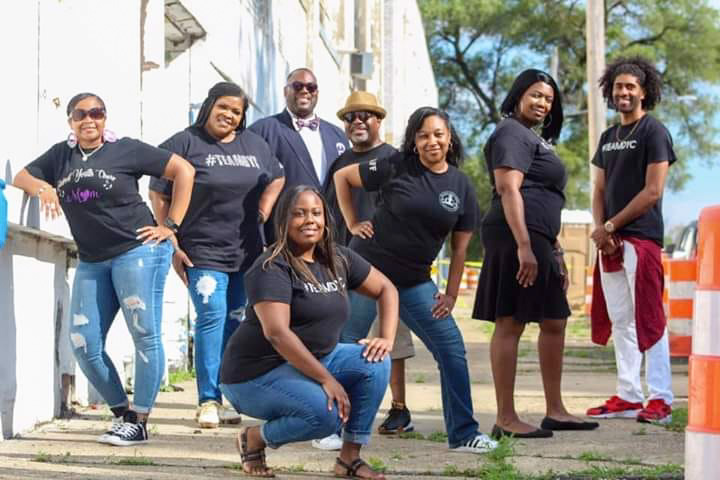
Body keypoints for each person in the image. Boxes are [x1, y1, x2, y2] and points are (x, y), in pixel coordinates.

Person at [13, 92, 195, 446]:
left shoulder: (126, 149)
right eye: (80, 114)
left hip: (138, 251)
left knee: (144, 334)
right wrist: (44, 188)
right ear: (70, 121)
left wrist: (171, 226)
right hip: (92, 259)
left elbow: (183, 171)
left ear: (104, 118)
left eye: (96, 113)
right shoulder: (60, 155)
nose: (89, 119)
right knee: (84, 343)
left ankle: (140, 421)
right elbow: (21, 175)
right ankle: (123, 415)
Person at [335, 106, 498, 454]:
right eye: (423, 135)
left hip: (413, 282)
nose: (431, 141)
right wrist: (351, 223)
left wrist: (451, 294)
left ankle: (464, 433)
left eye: (438, 133)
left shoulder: (461, 185)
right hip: (369, 271)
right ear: (415, 140)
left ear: (449, 136)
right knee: (346, 345)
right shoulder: (395, 166)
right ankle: (333, 427)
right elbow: (343, 178)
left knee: (451, 348)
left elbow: (459, 249)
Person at [219, 185, 398, 479]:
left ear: (326, 219)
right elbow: (277, 333)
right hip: (253, 375)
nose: (310, 220)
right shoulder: (271, 267)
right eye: (299, 214)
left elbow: (386, 289)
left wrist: (387, 337)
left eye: (316, 213)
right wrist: (327, 380)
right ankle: (255, 437)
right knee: (325, 415)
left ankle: (349, 460)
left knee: (375, 361)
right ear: (283, 221)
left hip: (313, 360)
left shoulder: (337, 258)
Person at [148, 82, 285, 429]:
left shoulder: (254, 144)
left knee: (235, 320)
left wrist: (264, 210)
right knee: (211, 314)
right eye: (223, 107)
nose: (229, 115)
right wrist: (172, 237)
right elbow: (158, 190)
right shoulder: (185, 142)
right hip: (202, 249)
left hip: (246, 251)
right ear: (209, 105)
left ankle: (225, 394)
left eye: (236, 111)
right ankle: (208, 400)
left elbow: (278, 176)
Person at [472, 69, 598, 439]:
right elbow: (509, 190)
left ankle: (555, 410)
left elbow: (541, 198)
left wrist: (553, 248)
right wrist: (525, 245)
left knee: (555, 319)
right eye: (536, 95)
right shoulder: (510, 132)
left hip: (539, 238)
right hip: (514, 237)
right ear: (518, 96)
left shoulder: (531, 137)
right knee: (510, 322)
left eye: (549, 99)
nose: (543, 103)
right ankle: (506, 417)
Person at [313, 92, 416, 451]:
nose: (358, 122)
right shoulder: (340, 163)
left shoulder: (393, 159)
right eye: (351, 117)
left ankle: (399, 409)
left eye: (366, 116)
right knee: (347, 339)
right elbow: (327, 214)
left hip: (389, 265)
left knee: (393, 340)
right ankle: (342, 413)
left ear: (378, 121)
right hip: (345, 264)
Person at [586, 57, 675, 425]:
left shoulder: (654, 131)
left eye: (630, 87)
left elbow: (653, 191)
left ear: (644, 91)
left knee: (649, 317)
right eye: (618, 86)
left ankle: (661, 399)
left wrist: (611, 225)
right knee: (622, 319)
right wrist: (602, 231)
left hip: (642, 240)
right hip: (611, 242)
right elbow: (599, 189)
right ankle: (628, 395)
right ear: (611, 91)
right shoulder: (608, 138)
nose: (623, 92)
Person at [249, 67, 348, 243]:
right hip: (281, 236)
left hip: (329, 240)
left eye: (311, 87)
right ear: (285, 91)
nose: (304, 91)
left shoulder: (337, 135)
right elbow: (250, 187)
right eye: (297, 86)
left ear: (317, 92)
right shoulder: (263, 130)